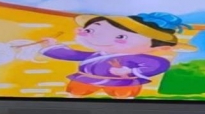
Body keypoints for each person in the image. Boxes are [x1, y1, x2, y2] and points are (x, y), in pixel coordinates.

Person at [42, 13, 185, 99]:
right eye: (90, 30)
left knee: (123, 96)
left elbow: (159, 64)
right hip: (86, 78)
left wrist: (129, 71)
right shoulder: (97, 54)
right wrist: (52, 45)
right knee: (75, 93)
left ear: (158, 46)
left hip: (121, 82)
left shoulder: (136, 57)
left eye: (121, 36)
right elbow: (73, 54)